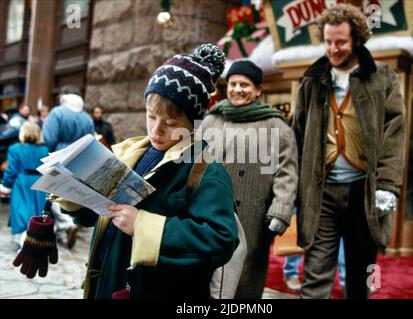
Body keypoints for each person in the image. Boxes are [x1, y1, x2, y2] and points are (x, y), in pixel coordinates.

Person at [54, 43, 239, 299]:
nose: (156, 130)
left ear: (193, 123)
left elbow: (221, 238)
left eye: (170, 123)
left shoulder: (206, 170)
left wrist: (142, 225)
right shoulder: (128, 153)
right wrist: (75, 195)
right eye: (151, 116)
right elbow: (92, 218)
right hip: (106, 284)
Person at [292, 3, 405, 299]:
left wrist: (388, 186)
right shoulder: (311, 79)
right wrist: (294, 190)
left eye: (341, 41)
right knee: (315, 273)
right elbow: (298, 135)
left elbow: (395, 132)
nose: (333, 48)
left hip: (364, 192)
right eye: (328, 41)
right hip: (321, 192)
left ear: (356, 39)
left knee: (364, 274)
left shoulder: (382, 77)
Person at [200, 60, 299, 299]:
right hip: (209, 212)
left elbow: (287, 172)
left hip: (254, 219)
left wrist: (280, 211)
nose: (237, 89)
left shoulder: (277, 125)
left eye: (244, 84)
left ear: (257, 90)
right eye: (233, 84)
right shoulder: (211, 120)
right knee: (207, 276)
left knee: (245, 280)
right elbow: (193, 160)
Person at [43, 85, 95, 249]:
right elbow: (92, 139)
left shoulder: (57, 113)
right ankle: (63, 232)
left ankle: (66, 224)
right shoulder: (87, 117)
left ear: (64, 97)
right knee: (73, 194)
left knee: (55, 193)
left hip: (60, 156)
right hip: (81, 159)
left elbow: (49, 139)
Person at [0, 122, 48, 248]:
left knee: (21, 211)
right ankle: (30, 239)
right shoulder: (44, 149)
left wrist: (5, 185)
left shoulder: (15, 149)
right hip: (38, 182)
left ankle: (25, 242)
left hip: (22, 182)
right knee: (36, 212)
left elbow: (11, 170)